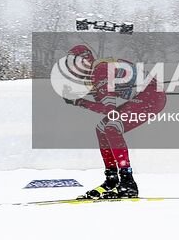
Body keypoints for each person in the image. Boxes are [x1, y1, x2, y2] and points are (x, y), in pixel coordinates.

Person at [57, 43, 166, 199]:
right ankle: (112, 179)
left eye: (73, 64)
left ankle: (128, 182)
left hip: (152, 97)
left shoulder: (99, 71)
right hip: (145, 95)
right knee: (101, 129)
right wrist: (79, 101)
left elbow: (109, 110)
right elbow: (105, 106)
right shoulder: (95, 75)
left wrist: (80, 102)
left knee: (112, 127)